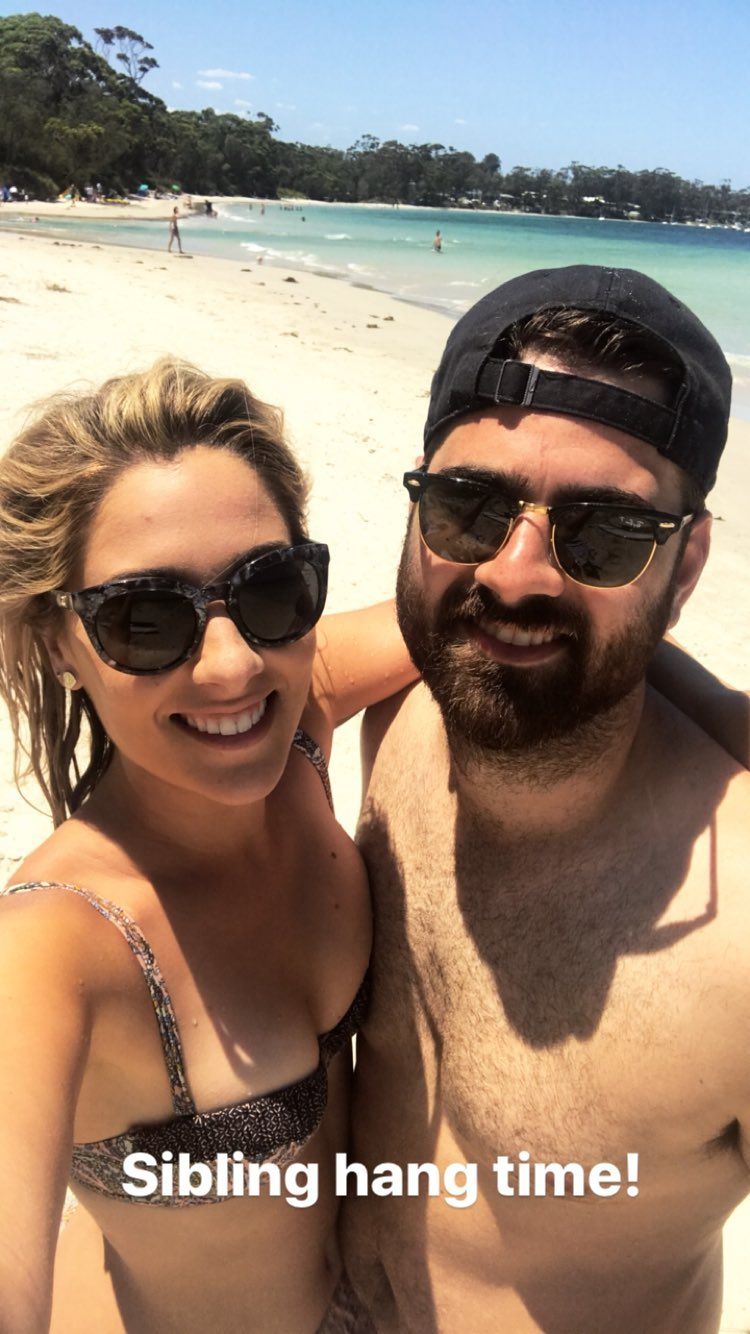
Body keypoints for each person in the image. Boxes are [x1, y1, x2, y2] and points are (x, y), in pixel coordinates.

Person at [345, 266, 750, 1333]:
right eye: (469, 507)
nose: (516, 573)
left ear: (686, 567)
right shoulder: (391, 712)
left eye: (605, 534)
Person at [0, 359, 414, 1332]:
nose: (231, 665)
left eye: (271, 591)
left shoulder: (295, 724)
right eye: (147, 619)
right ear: (60, 643)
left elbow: (498, 610)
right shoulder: (56, 946)